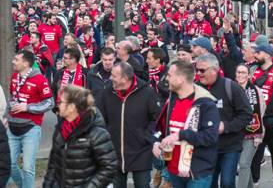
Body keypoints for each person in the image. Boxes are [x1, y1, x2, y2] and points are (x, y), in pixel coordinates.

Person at [153, 60, 220, 188]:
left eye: (170, 75)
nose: (166, 78)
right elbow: (160, 128)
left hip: (197, 172)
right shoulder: (171, 100)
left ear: (181, 79)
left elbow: (210, 137)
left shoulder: (205, 103)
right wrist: (155, 142)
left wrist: (181, 135)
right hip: (173, 169)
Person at [98, 62, 161, 188]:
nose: (110, 78)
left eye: (114, 76)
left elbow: (157, 119)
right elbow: (100, 119)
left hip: (141, 151)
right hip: (114, 152)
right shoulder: (107, 92)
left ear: (125, 78)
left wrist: (146, 137)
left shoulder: (147, 93)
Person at [195, 53, 252, 188]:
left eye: (202, 70)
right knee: (210, 183)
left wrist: (225, 126)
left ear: (214, 70)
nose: (198, 73)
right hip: (206, 147)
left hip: (230, 146)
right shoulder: (195, 88)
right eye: (197, 70)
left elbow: (246, 115)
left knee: (227, 182)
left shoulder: (231, 87)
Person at [43, 85, 117, 187]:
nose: (58, 105)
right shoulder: (61, 130)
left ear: (72, 107)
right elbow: (53, 164)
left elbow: (110, 166)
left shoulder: (96, 133)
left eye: (61, 102)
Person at [6, 50, 54, 188]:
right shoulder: (15, 76)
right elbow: (12, 97)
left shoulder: (40, 79)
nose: (13, 62)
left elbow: (49, 103)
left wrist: (27, 107)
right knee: (8, 164)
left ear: (26, 63)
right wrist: (9, 110)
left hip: (31, 128)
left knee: (28, 168)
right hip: (12, 126)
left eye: (16, 59)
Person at [250, 44, 273, 187]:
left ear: (269, 55)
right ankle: (255, 181)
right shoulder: (254, 71)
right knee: (256, 152)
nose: (255, 54)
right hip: (257, 118)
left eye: (259, 52)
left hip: (271, 117)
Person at [235, 63, 265, 188]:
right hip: (235, 133)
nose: (240, 75)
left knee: (243, 164)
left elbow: (261, 112)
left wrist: (259, 134)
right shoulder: (231, 88)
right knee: (244, 166)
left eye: (243, 72)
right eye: (238, 72)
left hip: (252, 133)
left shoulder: (256, 91)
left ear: (248, 75)